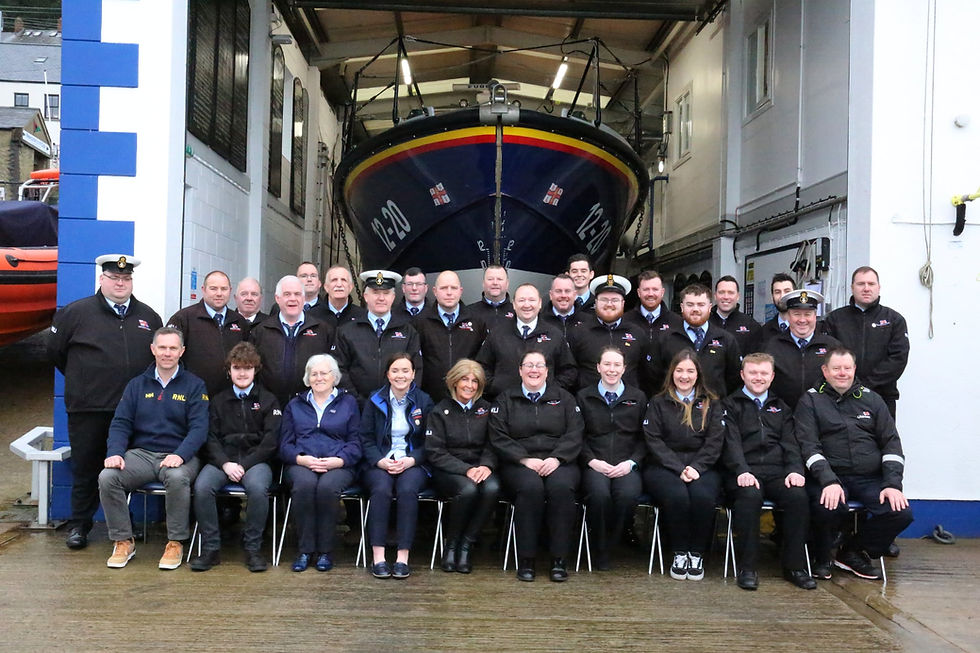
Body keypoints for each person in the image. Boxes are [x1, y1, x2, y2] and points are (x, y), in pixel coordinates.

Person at [48, 253, 163, 551]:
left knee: (128, 470)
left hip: (133, 411)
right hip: (89, 409)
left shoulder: (149, 317)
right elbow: (56, 354)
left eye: (126, 279)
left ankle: (125, 526)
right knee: (86, 468)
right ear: (102, 279)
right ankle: (79, 525)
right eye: (114, 278)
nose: (120, 283)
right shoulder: (76, 313)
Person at [794, 347, 913, 581]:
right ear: (825, 371)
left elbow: (891, 444)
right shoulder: (810, 400)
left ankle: (852, 551)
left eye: (847, 368)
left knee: (900, 513)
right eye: (836, 368)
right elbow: (809, 446)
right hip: (829, 476)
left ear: (854, 369)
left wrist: (892, 484)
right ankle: (822, 557)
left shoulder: (872, 399)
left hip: (869, 478)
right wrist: (828, 480)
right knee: (829, 506)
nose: (842, 373)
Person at [97, 327, 209, 570]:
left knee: (177, 477)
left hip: (181, 454)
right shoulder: (137, 385)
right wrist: (114, 452)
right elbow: (121, 423)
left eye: (172, 348)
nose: (167, 353)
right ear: (153, 350)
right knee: (108, 477)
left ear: (182, 351)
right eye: (162, 348)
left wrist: (180, 455)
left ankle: (176, 542)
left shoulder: (195, 385)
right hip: (142, 455)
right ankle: (123, 540)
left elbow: (200, 429)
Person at [721, 353, 815, 590]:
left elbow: (791, 444)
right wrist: (741, 470)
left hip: (776, 471)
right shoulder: (729, 405)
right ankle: (747, 567)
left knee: (798, 497)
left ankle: (794, 566)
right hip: (742, 471)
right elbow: (730, 444)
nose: (758, 378)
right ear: (742, 375)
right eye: (753, 372)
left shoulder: (781, 407)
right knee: (749, 497)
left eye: (764, 373)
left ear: (772, 377)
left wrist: (795, 470)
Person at [490, 350, 584, 582]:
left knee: (561, 489)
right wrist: (524, 459)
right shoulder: (505, 399)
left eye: (539, 365)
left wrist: (557, 458)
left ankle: (559, 560)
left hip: (559, 461)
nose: (534, 370)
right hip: (519, 463)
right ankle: (526, 559)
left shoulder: (564, 398)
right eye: (529, 365)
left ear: (547, 371)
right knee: (531, 489)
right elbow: (498, 436)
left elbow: (575, 433)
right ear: (520, 370)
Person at [189, 342, 280, 572]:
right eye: (237, 368)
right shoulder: (218, 400)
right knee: (202, 487)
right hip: (223, 461)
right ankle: (211, 548)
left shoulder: (269, 400)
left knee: (259, 490)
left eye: (247, 368)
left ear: (255, 370)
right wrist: (225, 464)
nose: (242, 373)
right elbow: (209, 437)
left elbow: (270, 441)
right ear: (229, 370)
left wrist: (245, 464)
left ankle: (252, 549)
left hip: (255, 462)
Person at [642, 349, 724, 581]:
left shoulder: (712, 403)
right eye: (679, 370)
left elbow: (715, 440)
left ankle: (696, 553)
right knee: (677, 496)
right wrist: (679, 468)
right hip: (665, 466)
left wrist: (697, 467)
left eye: (690, 371)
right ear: (672, 373)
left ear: (698, 374)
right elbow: (653, 440)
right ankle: (679, 553)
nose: (684, 376)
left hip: (703, 466)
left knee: (702, 497)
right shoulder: (658, 402)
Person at [279, 353, 362, 572]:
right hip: (302, 463)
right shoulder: (295, 404)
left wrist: (338, 461)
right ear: (307, 378)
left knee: (327, 488)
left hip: (338, 464)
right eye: (313, 374)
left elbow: (356, 443)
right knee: (304, 486)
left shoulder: (349, 403)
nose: (318, 378)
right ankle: (305, 550)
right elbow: (285, 444)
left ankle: (325, 551)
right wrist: (301, 459)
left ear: (334, 377)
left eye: (324, 373)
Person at [360, 353, 434, 579]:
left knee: (407, 490)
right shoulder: (374, 400)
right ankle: (379, 556)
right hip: (380, 462)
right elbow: (365, 438)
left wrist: (412, 460)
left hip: (412, 462)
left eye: (405, 371)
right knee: (381, 490)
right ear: (387, 374)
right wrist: (380, 461)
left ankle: (403, 557)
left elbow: (431, 441)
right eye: (395, 370)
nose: (400, 375)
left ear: (413, 374)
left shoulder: (424, 401)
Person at [425, 359, 499, 573]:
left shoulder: (487, 409)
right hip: (450, 470)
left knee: (492, 488)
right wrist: (464, 469)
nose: (469, 385)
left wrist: (486, 465)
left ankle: (467, 544)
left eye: (475, 381)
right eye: (464, 379)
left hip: (481, 466)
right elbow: (435, 451)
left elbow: (494, 443)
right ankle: (451, 545)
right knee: (467, 490)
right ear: (454, 382)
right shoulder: (439, 410)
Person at [576, 347, 645, 570]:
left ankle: (610, 545)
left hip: (627, 464)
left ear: (624, 368)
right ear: (598, 367)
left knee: (627, 496)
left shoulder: (638, 397)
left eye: (617, 365)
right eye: (607, 364)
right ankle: (598, 548)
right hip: (594, 463)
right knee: (599, 496)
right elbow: (577, 435)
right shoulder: (583, 396)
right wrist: (591, 461)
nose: (611, 369)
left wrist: (631, 463)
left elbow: (646, 438)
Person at [824, 266, 909, 418]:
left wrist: (864, 385)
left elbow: (898, 359)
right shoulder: (834, 319)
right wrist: (849, 386)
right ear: (852, 288)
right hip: (842, 398)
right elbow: (827, 358)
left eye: (871, 284)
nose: (866, 288)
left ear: (879, 287)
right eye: (861, 284)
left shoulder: (894, 320)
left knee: (883, 441)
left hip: (882, 398)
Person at [332, 270, 423, 402]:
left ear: (393, 297)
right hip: (357, 407)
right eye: (375, 292)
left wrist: (404, 399)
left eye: (386, 293)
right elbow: (339, 368)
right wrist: (355, 400)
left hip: (397, 406)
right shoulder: (347, 331)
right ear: (366, 296)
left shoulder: (408, 331)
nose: (381, 298)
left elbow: (416, 369)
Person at [476, 283, 577, 399]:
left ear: (540, 303)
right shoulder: (497, 333)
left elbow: (569, 370)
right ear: (514, 304)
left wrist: (551, 390)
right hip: (505, 404)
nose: (527, 305)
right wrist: (496, 387)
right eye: (521, 300)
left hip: (544, 406)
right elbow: (482, 367)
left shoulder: (554, 335)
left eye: (532, 300)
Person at [249, 275, 335, 407]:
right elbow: (252, 371)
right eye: (287, 294)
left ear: (304, 298)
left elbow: (332, 370)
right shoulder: (261, 331)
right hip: (269, 406)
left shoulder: (323, 330)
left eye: (297, 294)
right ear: (277, 298)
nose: (292, 299)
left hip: (310, 406)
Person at [166, 270, 249, 395]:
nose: (219, 293)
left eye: (224, 289)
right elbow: (169, 356)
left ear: (230, 291)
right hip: (194, 396)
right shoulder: (184, 318)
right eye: (213, 289)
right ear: (203, 289)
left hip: (230, 399)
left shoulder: (239, 322)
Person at [568, 274, 651, 391]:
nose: (609, 304)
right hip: (588, 404)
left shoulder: (638, 333)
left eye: (615, 300)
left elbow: (646, 373)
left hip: (629, 405)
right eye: (604, 300)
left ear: (623, 303)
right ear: (595, 302)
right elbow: (570, 372)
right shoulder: (578, 333)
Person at [414, 270, 487, 401]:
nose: (449, 292)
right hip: (431, 398)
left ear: (461, 291)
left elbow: (484, 360)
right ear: (435, 291)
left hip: (467, 398)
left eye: (453, 288)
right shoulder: (420, 322)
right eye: (444, 288)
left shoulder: (477, 321)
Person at [764, 289, 842, 409]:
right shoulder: (772, 346)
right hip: (783, 419)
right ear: (789, 317)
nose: (802, 320)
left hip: (822, 418)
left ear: (815, 316)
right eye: (796, 314)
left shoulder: (832, 347)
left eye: (807, 314)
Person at [659, 283, 741, 398]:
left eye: (701, 304)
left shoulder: (725, 339)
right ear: (682, 307)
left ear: (709, 307)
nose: (695, 309)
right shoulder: (666, 338)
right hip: (674, 409)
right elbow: (655, 376)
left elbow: (735, 379)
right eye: (690, 305)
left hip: (714, 410)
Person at [624, 269, 684, 342]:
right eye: (646, 289)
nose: (650, 294)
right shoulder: (625, 321)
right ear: (639, 293)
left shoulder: (677, 322)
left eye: (655, 289)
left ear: (662, 292)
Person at [710, 275, 762, 355]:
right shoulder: (705, 322)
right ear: (715, 296)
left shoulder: (751, 325)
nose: (726, 297)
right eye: (721, 292)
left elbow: (756, 358)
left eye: (730, 293)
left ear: (738, 296)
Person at [465, 264, 514, 331]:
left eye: (499, 279)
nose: (495, 283)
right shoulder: (468, 312)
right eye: (490, 279)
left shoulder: (518, 312)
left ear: (507, 284)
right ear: (483, 283)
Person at [540, 273, 583, 344]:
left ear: (575, 295)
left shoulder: (588, 322)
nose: (563, 295)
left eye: (567, 291)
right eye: (558, 291)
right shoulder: (539, 322)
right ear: (551, 295)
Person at [322, 265, 366, 329]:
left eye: (343, 280)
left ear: (350, 287)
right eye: (334, 280)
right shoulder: (313, 316)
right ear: (326, 287)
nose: (339, 284)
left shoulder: (362, 317)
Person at [759, 273, 796, 344]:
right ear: (772, 296)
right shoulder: (764, 331)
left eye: (787, 291)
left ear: (795, 294)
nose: (782, 296)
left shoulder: (805, 327)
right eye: (777, 292)